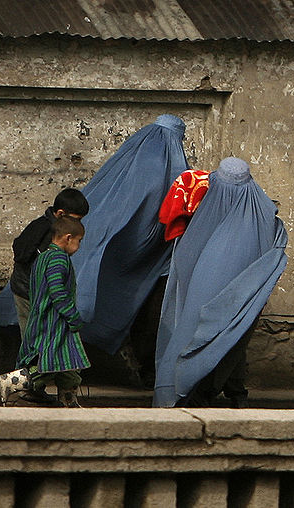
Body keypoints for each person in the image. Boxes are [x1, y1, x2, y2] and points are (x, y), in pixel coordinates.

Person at [153, 157, 288, 408]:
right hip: (245, 299)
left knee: (194, 333)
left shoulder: (207, 207)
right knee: (234, 338)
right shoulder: (263, 211)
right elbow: (277, 245)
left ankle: (189, 391)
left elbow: (184, 256)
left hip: (203, 294)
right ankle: (233, 393)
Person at [71, 114, 189, 387]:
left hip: (112, 250)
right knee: (151, 318)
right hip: (157, 263)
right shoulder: (177, 170)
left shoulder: (127, 160)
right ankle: (146, 373)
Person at [0, 188, 89, 403]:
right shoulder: (58, 259)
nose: (79, 247)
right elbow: (58, 292)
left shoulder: (43, 256)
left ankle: (68, 402)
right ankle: (11, 382)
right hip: (53, 320)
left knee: (67, 363)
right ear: (68, 237)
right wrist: (72, 316)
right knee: (48, 362)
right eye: (79, 241)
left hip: (43, 313)